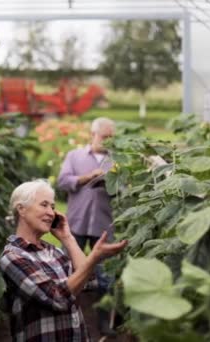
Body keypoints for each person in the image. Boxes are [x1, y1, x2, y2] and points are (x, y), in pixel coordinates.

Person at [0, 180, 127, 341]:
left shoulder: (54, 251)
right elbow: (57, 297)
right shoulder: (13, 256)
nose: (51, 213)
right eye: (44, 205)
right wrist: (94, 257)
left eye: (52, 207)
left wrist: (68, 239)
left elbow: (89, 281)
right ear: (21, 209)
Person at [56, 117, 116, 335]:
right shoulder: (75, 156)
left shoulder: (116, 160)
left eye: (111, 137)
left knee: (106, 277)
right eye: (104, 137)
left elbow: (125, 189)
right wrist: (87, 177)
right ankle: (63, 315)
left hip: (103, 224)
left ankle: (103, 323)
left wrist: (113, 183)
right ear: (93, 135)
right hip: (77, 222)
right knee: (67, 270)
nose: (108, 141)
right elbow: (62, 181)